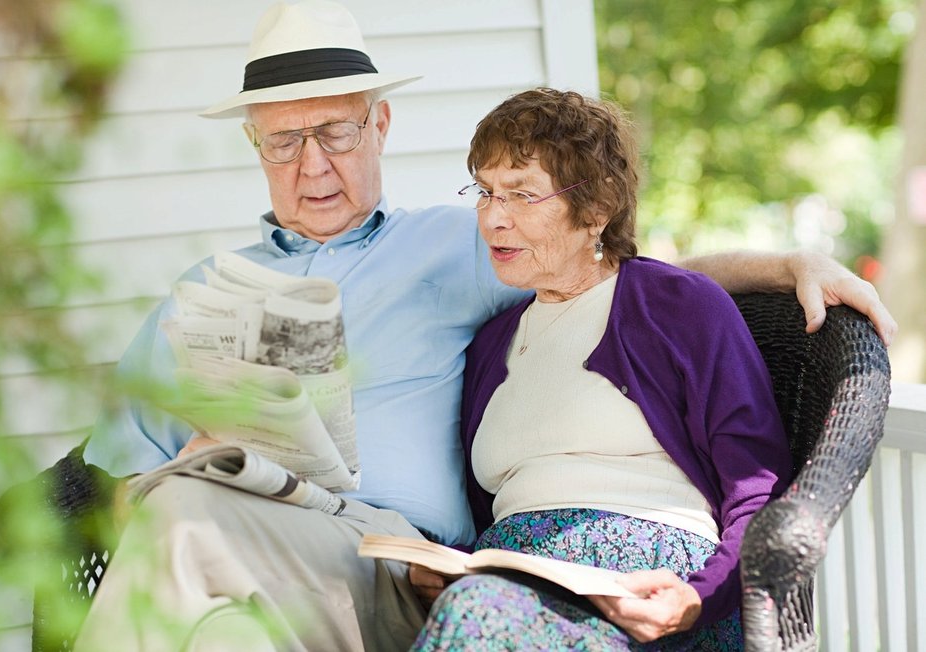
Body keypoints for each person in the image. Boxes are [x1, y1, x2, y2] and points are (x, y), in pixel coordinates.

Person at [73, 2, 895, 650]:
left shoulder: (460, 246)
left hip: (393, 561)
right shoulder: (205, 295)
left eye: (334, 132)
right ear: (256, 146)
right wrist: (195, 455)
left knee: (183, 521)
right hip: (255, 542)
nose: (312, 165)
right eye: (284, 140)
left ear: (379, 128)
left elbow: (619, 269)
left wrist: (785, 267)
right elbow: (109, 478)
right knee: (204, 592)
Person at [408, 88, 791, 649]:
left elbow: (760, 489)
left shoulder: (679, 306)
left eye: (522, 195)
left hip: (650, 592)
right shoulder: (492, 342)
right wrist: (450, 566)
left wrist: (698, 597)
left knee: (473, 616)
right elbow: (494, 509)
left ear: (597, 208)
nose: (494, 219)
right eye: (487, 193)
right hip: (515, 588)